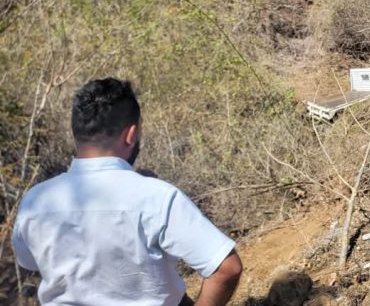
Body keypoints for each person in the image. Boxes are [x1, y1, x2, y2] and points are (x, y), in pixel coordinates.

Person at [12, 77, 242, 306]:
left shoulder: (34, 201)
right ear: (131, 134)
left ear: (76, 135)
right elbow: (227, 269)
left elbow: (30, 261)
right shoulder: (156, 197)